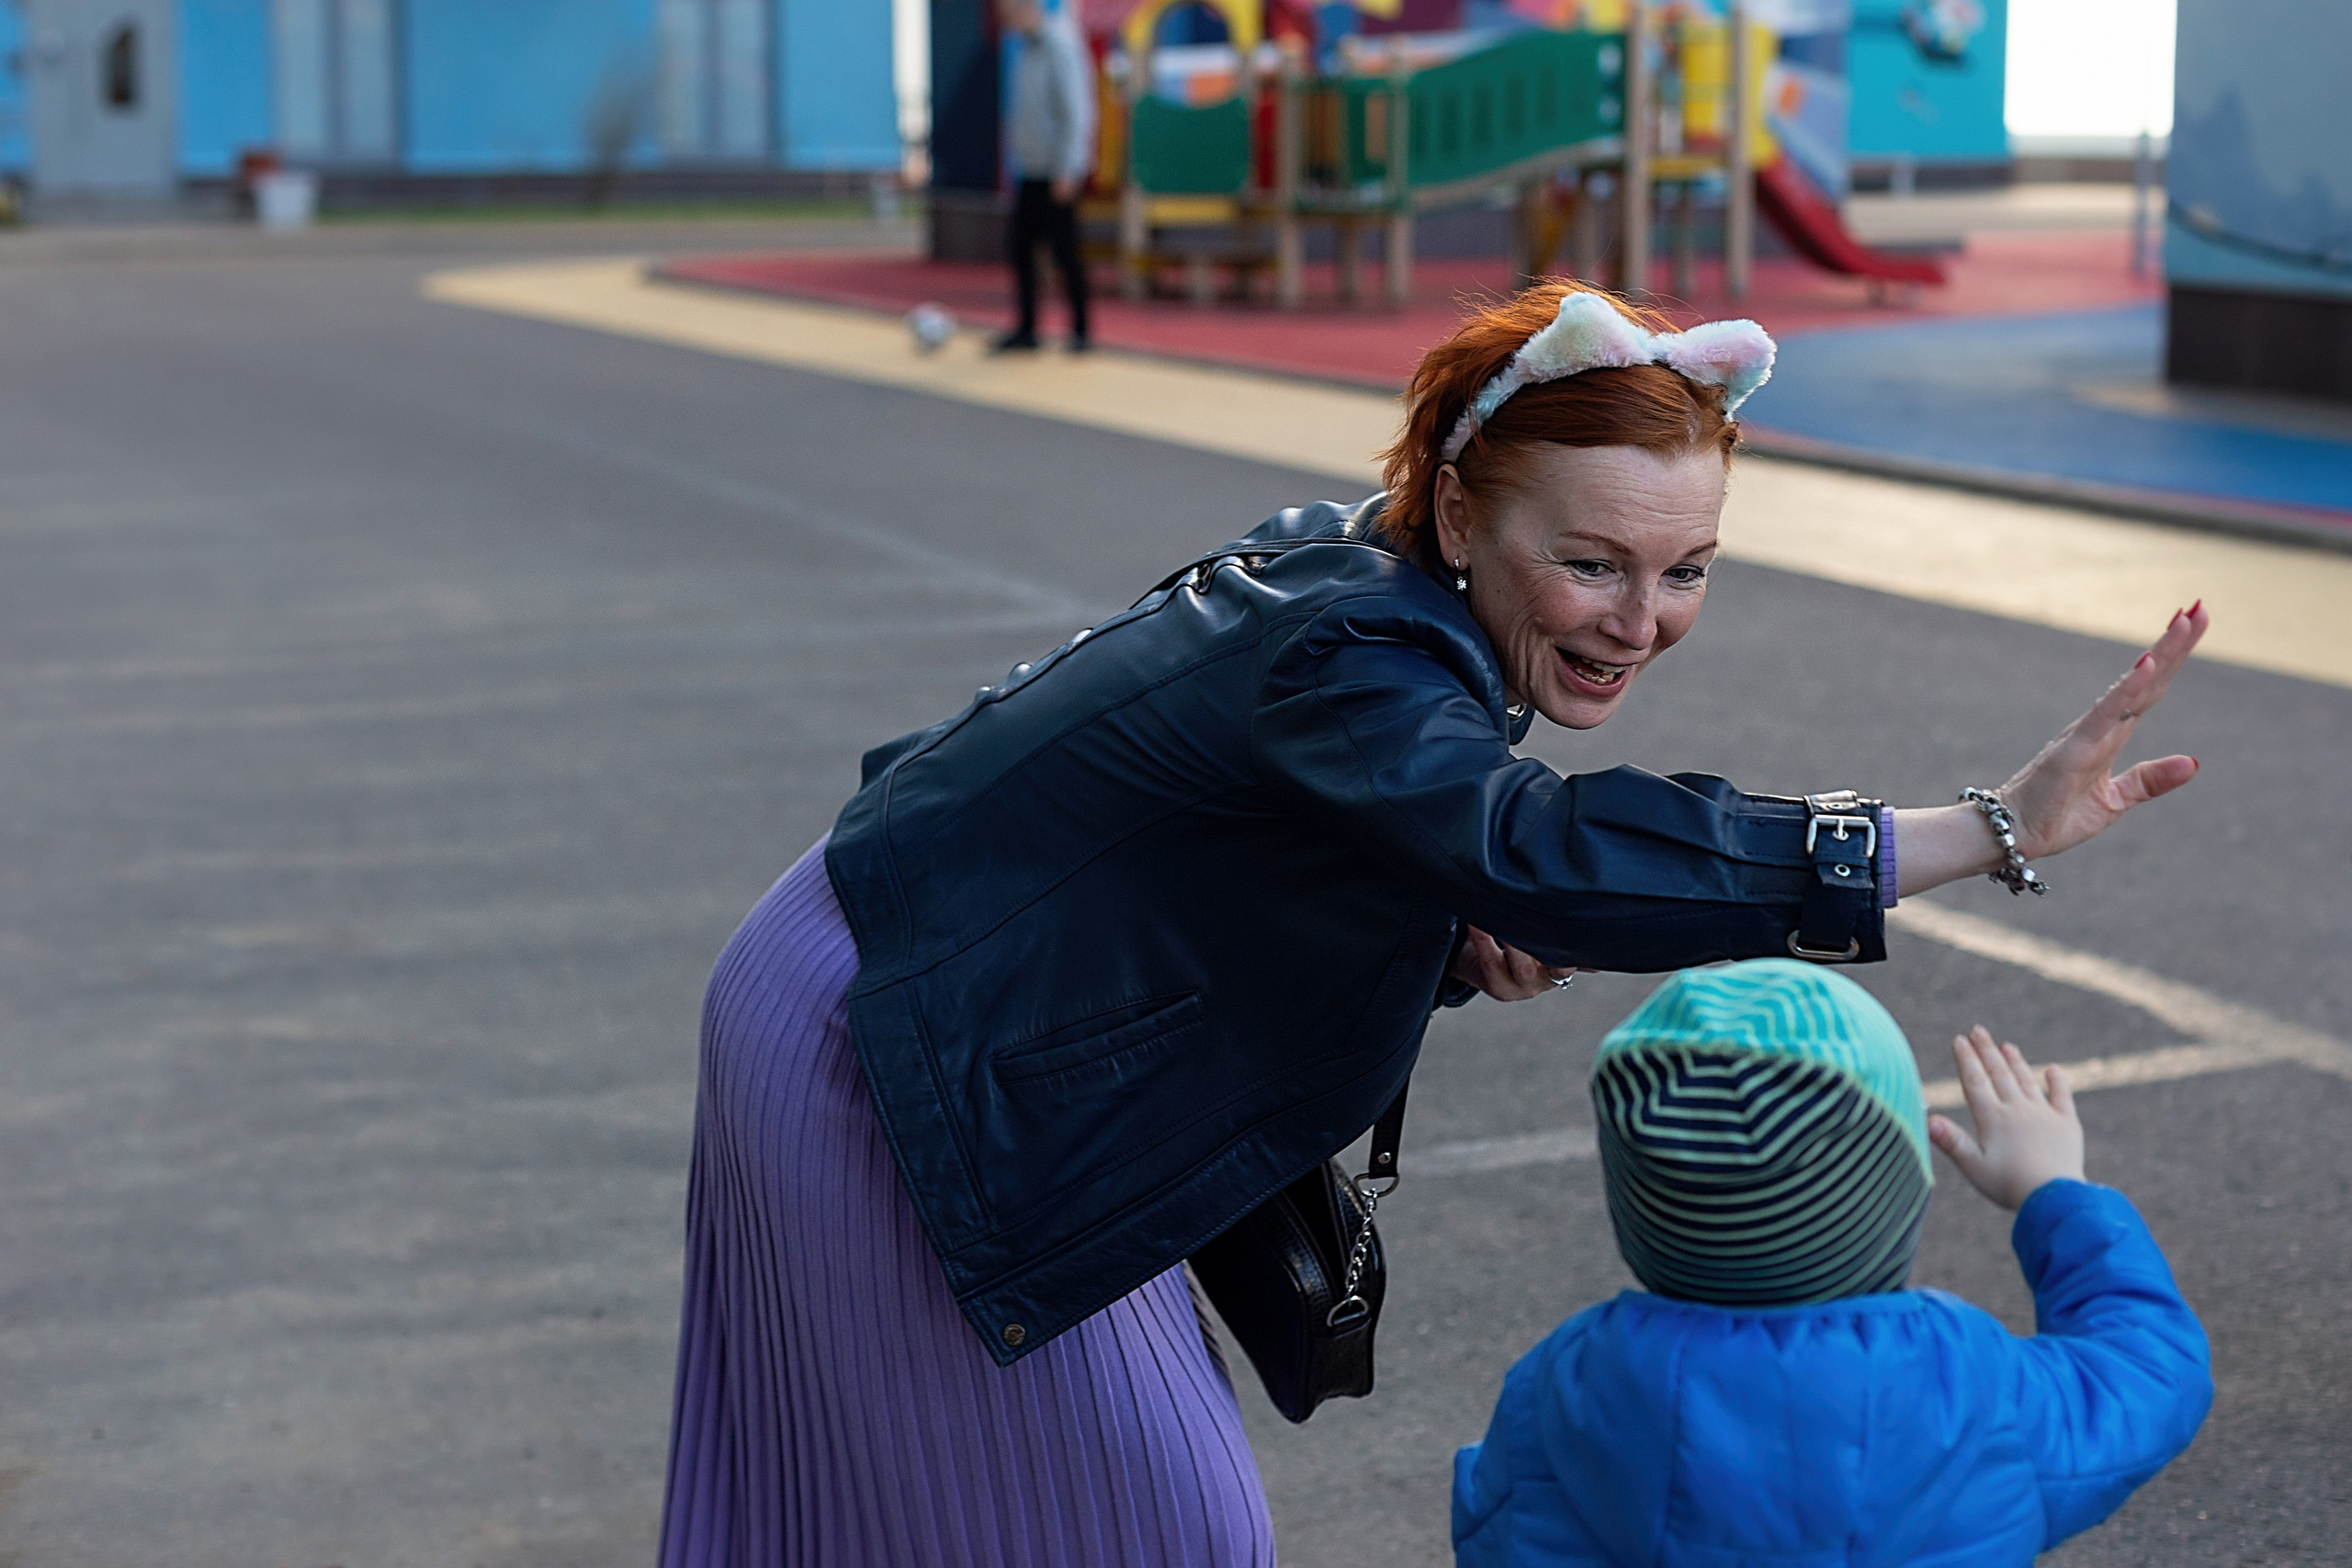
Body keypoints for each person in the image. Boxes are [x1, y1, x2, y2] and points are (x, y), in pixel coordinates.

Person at [656, 280, 2210, 1567]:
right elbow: (1531, 844)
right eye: (1589, 560)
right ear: (1460, 506)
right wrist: (1976, 829)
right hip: (896, 1054)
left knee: (868, 1515)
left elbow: (1263, 851)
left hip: (907, 994)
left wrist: (1441, 937)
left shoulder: (1369, 576)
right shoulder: (1358, 648)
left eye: (1688, 570)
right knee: (1155, 1528)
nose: (1638, 617)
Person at [1451, 961, 2214, 1566]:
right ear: (1895, 1193)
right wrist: (2056, 1195)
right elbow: (2152, 1371)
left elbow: (1496, 1530)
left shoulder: (1561, 1389)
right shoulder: (1972, 1387)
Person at [994, 0, 1093, 354]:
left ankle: (1081, 330)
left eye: (1009, 13)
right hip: (1030, 169)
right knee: (1022, 249)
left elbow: (1075, 112)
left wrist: (1069, 168)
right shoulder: (1024, 52)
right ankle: (1027, 328)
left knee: (1065, 251)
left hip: (1056, 170)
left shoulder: (1060, 48)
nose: (1006, 21)